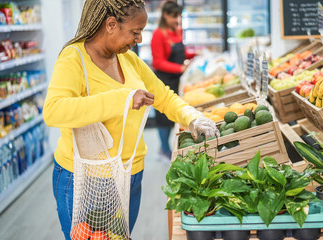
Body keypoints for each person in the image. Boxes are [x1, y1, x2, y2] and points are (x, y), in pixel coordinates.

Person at [42, 0, 218, 239]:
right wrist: (121, 99)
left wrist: (193, 118)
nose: (140, 40)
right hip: (86, 181)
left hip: (131, 175)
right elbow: (54, 110)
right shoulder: (74, 58)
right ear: (111, 24)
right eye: (135, 32)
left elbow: (163, 97)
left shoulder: (129, 60)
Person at [150, 1, 194, 162]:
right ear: (165, 15)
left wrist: (192, 55)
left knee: (173, 113)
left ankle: (166, 147)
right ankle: (164, 150)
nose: (177, 19)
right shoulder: (158, 34)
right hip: (163, 79)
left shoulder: (177, 30)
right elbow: (158, 62)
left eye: (179, 16)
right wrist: (180, 68)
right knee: (163, 116)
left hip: (177, 80)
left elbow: (181, 52)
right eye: (174, 16)